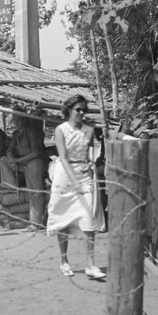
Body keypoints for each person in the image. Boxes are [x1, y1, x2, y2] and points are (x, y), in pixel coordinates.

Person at [46, 95, 106, 279]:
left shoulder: (89, 130)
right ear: (69, 110)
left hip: (84, 176)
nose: (81, 113)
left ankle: (90, 264)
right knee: (63, 218)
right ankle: (64, 261)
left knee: (88, 217)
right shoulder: (60, 130)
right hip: (65, 176)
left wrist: (89, 164)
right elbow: (63, 157)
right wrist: (73, 181)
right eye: (77, 109)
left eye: (83, 110)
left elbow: (90, 156)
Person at [0, 107, 47, 229]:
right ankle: (10, 188)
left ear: (24, 119)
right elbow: (9, 150)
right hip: (22, 163)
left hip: (34, 163)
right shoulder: (16, 134)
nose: (16, 121)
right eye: (14, 118)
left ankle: (36, 223)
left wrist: (17, 160)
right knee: (3, 160)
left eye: (18, 118)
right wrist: (11, 158)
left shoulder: (31, 131)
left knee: (35, 194)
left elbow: (35, 153)